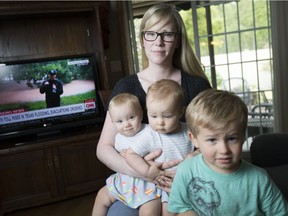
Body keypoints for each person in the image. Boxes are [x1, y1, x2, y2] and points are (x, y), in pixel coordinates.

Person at [95, 3, 211, 216]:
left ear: (177, 40)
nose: (158, 41)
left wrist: (188, 165)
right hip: (138, 182)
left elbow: (214, 137)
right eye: (151, 34)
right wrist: (145, 173)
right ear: (142, 40)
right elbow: (104, 148)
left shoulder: (197, 86)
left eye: (167, 34)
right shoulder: (126, 87)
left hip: (187, 179)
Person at [168, 89, 288, 215]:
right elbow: (180, 207)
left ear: (243, 137)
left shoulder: (259, 179)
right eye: (212, 140)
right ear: (194, 139)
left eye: (232, 139)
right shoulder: (185, 171)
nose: (224, 150)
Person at [125, 79, 193, 216]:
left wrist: (194, 155)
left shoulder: (188, 131)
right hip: (161, 185)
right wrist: (148, 171)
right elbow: (130, 154)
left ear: (181, 112)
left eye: (167, 116)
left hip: (186, 184)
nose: (160, 122)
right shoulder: (150, 135)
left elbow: (202, 147)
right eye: (153, 116)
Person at [93, 93, 162, 216]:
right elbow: (117, 156)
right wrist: (121, 155)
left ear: (141, 114)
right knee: (101, 196)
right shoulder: (119, 137)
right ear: (113, 123)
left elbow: (159, 152)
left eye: (131, 117)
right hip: (124, 180)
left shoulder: (150, 132)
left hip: (147, 184)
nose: (127, 124)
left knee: (150, 211)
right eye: (119, 121)